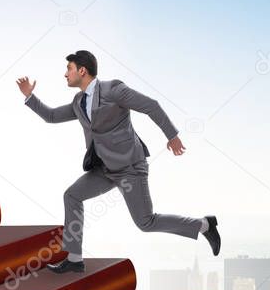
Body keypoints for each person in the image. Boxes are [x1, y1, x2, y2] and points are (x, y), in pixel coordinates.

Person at [17, 49, 219, 272]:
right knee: (72, 195)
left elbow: (150, 105)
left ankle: (205, 225)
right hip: (104, 169)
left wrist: (172, 136)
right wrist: (29, 96)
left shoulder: (113, 90)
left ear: (82, 70)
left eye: (69, 69)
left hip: (130, 167)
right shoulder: (78, 101)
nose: (65, 74)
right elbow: (52, 116)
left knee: (145, 222)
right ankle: (74, 259)